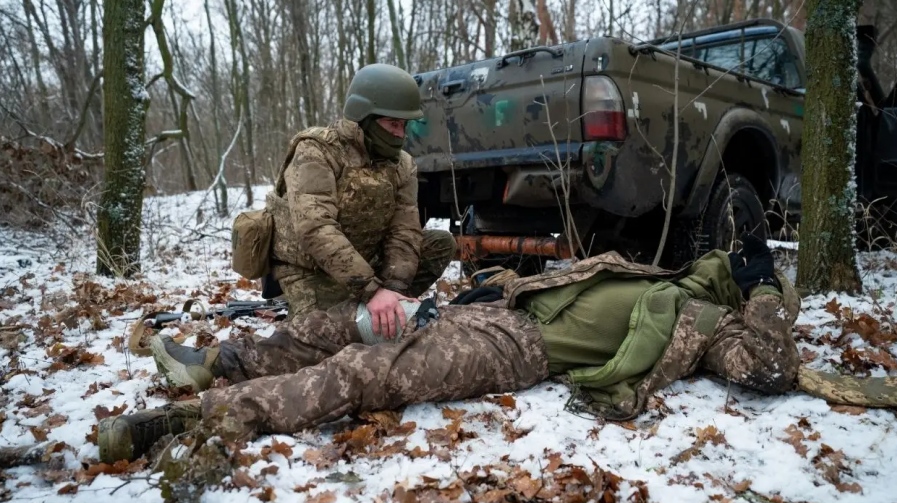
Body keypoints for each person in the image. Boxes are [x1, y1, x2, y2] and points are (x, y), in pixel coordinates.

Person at [97, 234, 804, 463]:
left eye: (738, 270)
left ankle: (199, 419)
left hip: (515, 349)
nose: (724, 263)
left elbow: (770, 369)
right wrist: (492, 287)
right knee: (346, 324)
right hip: (494, 309)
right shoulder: (661, 275)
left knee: (366, 373)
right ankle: (218, 363)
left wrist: (767, 293)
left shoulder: (714, 321)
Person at [265, 62, 456, 331]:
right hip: (312, 270)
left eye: (404, 125)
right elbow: (315, 228)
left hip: (367, 261)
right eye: (392, 124)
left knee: (440, 243)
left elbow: (405, 230)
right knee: (324, 337)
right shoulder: (316, 151)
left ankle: (382, 307)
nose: (400, 135)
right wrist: (371, 290)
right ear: (364, 116)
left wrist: (393, 287)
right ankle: (359, 306)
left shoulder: (402, 164)